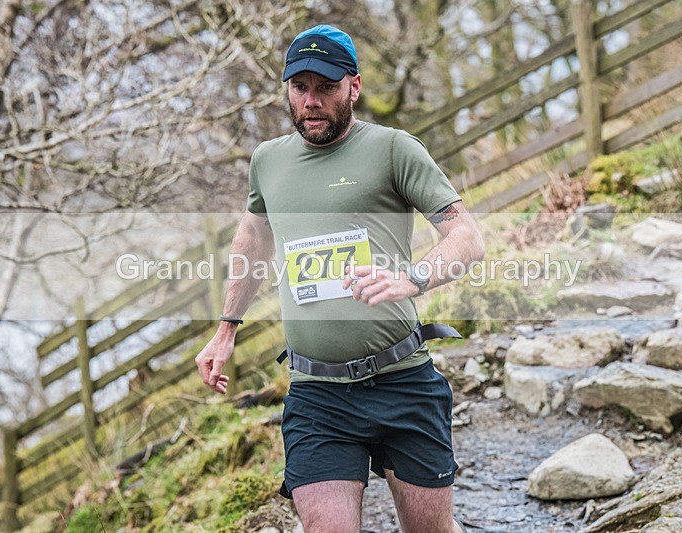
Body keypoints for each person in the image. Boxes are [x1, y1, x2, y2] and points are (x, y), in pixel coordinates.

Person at [195, 23, 485, 533]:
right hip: (318, 395)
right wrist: (226, 329)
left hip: (402, 381)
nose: (311, 101)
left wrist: (412, 278)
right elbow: (254, 238)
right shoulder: (268, 161)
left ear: (354, 86)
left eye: (326, 87)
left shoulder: (394, 149)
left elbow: (467, 237)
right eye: (299, 87)